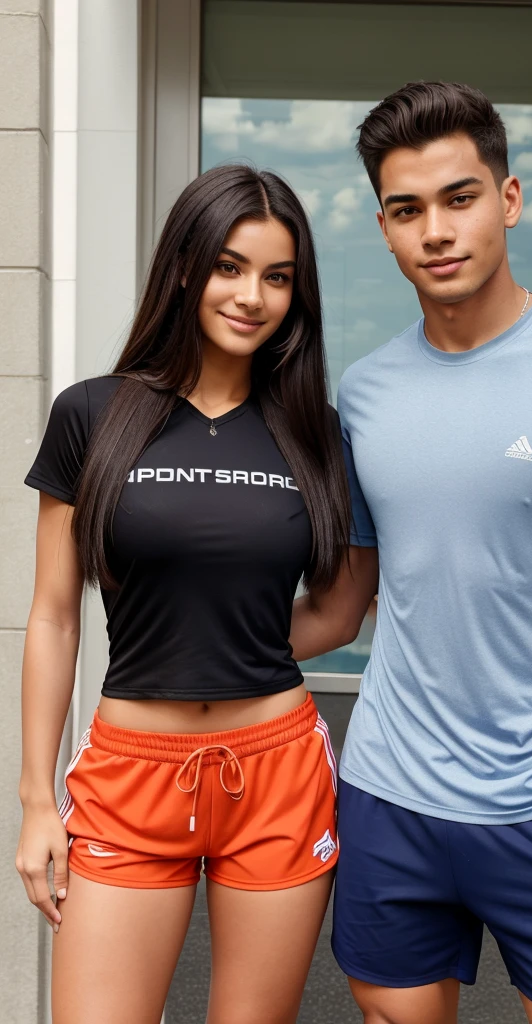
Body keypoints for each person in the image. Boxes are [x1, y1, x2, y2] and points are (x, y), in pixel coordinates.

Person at [290, 82, 532, 1023]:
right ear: (383, 228)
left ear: (508, 199)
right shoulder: (368, 394)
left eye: (460, 198)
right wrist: (178, 646)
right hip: (389, 794)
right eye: (407, 209)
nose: (436, 230)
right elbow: (346, 604)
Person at [17, 164, 348, 1024]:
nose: (253, 296)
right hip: (129, 778)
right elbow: (54, 618)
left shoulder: (314, 430)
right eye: (230, 267)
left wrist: (232, 646)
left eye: (278, 277)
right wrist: (34, 801)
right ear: (184, 268)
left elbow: (342, 610)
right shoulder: (92, 415)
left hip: (275, 769)